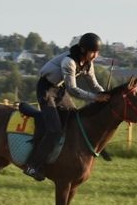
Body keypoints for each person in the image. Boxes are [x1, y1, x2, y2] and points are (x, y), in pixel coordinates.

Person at [24, 33, 110, 181]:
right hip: (46, 90)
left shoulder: (88, 63)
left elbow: (94, 85)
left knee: (74, 119)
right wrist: (96, 97)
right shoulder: (69, 62)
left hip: (59, 91)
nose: (96, 55)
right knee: (55, 130)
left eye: (97, 52)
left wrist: (107, 95)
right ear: (83, 50)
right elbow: (73, 90)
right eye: (93, 52)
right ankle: (32, 165)